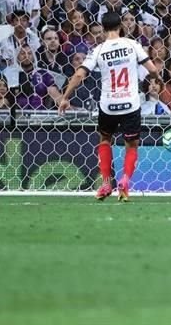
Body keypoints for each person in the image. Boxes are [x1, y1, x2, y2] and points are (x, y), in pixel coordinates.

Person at [58, 11, 159, 202]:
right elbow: (152, 69)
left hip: (108, 105)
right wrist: (157, 78)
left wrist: (65, 97)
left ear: (102, 29)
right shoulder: (132, 44)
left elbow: (80, 75)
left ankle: (106, 183)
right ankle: (125, 181)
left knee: (105, 140)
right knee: (132, 144)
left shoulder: (98, 50)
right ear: (120, 26)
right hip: (130, 103)